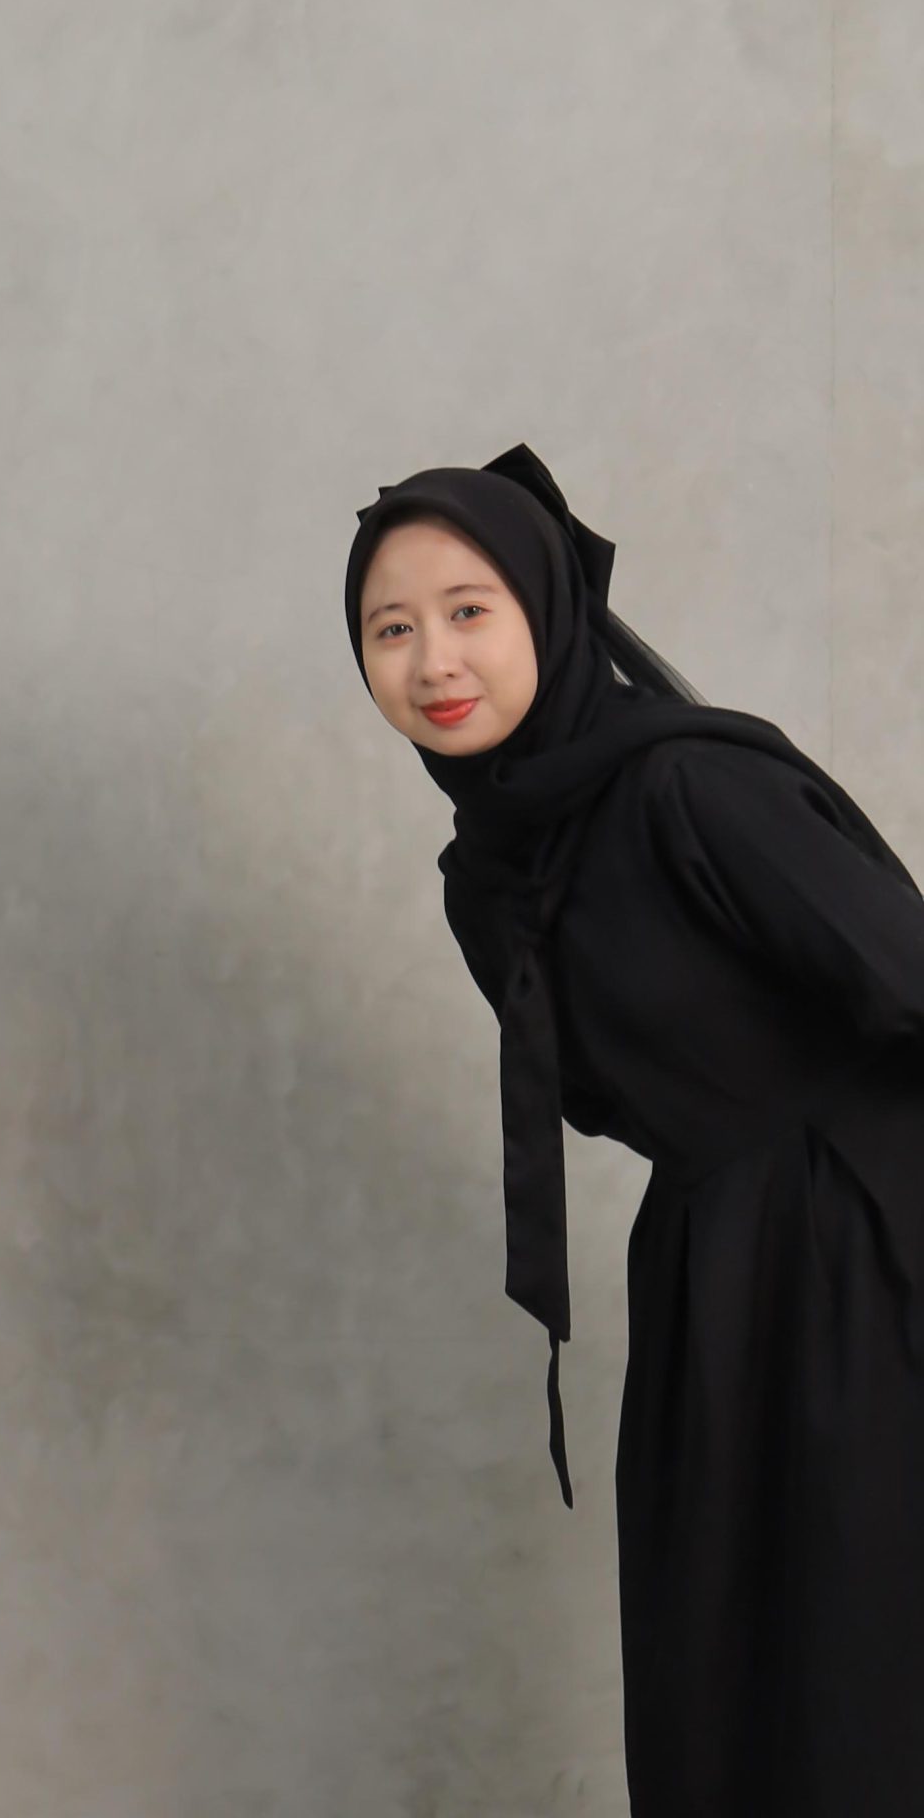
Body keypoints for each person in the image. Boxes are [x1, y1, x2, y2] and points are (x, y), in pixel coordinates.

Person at [344, 445, 924, 1818]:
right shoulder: (489, 880)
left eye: (469, 610)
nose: (434, 660)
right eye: (391, 628)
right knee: (722, 1676)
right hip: (710, 1274)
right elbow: (604, 1098)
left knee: (864, 1663)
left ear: (548, 608)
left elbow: (908, 982)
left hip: (870, 1247)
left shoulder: (688, 785)